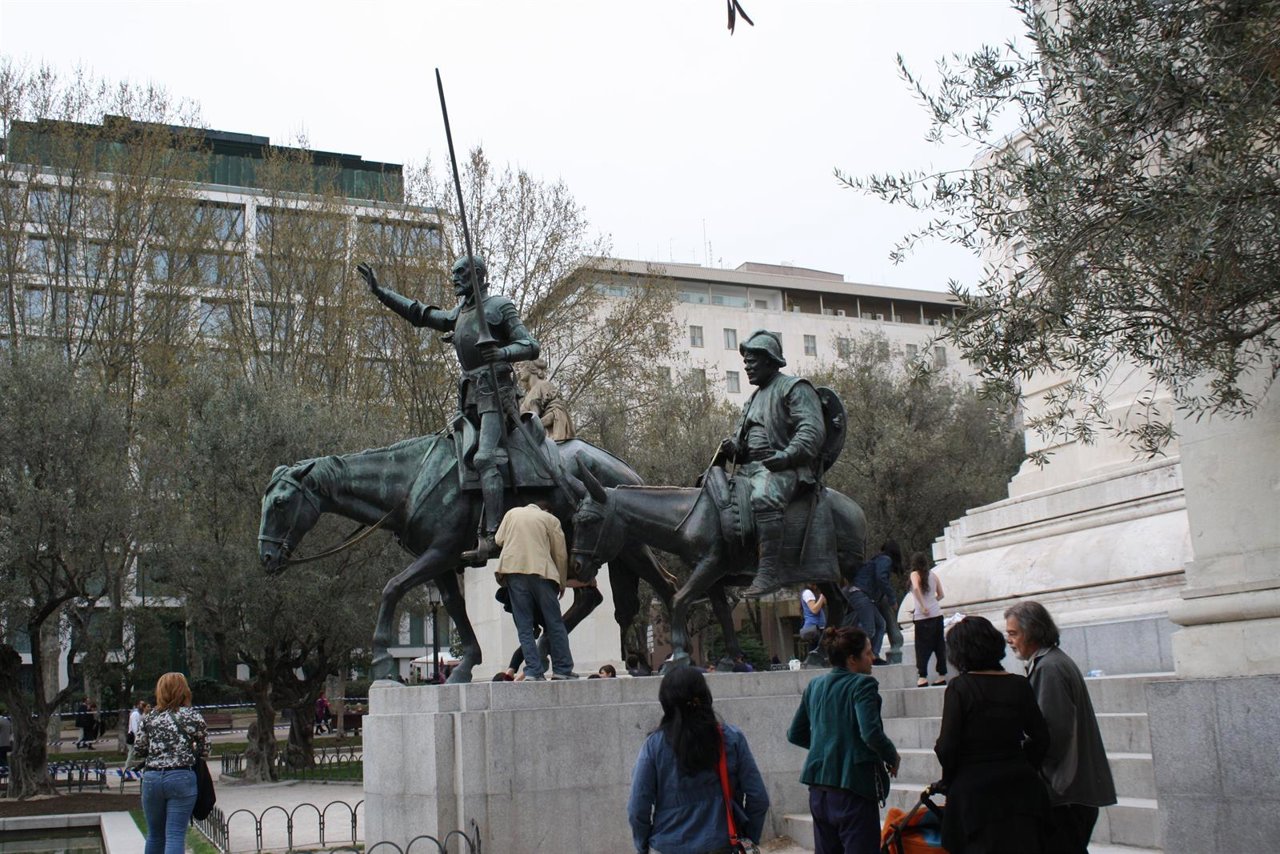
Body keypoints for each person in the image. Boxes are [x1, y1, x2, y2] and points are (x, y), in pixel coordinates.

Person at [358, 256, 540, 565]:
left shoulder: (499, 306)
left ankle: (494, 536)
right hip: (469, 397)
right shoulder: (460, 313)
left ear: (478, 275)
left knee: (484, 458)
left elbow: (531, 345)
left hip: (495, 395)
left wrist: (502, 352)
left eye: (461, 273)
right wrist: (380, 292)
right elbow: (420, 313)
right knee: (448, 459)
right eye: (453, 273)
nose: (454, 278)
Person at [717, 329, 826, 596]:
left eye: (752, 362)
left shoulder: (794, 387)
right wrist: (734, 448)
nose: (747, 368)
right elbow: (744, 444)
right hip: (750, 470)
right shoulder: (752, 399)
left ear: (769, 360)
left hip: (784, 468)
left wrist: (786, 455)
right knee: (716, 496)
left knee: (764, 496)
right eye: (745, 363)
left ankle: (769, 573)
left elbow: (811, 431)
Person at [1005, 601, 1117, 853]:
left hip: (1065, 789)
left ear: (1032, 631)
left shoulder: (1050, 667)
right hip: (1070, 787)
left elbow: (1052, 731)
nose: (1009, 641)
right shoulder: (1050, 663)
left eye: (1013, 633)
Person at [934, 616, 1051, 854]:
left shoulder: (960, 687)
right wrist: (1022, 763)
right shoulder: (1019, 684)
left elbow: (947, 746)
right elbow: (1041, 736)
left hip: (975, 793)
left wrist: (951, 778)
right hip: (1020, 789)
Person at [628, 667, 769, 854]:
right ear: (704, 696)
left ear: (666, 702)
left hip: (668, 845)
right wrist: (749, 838)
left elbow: (637, 807)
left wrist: (643, 846)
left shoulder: (654, 746)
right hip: (722, 845)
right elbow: (758, 797)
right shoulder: (730, 738)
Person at [787, 626, 900, 854]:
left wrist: (827, 745)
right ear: (852, 659)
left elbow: (795, 733)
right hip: (853, 789)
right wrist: (892, 756)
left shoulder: (815, 685)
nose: (872, 657)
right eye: (868, 652)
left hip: (819, 790)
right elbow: (870, 733)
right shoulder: (863, 684)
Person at [494, 499, 577, 680]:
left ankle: (533, 670)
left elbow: (498, 540)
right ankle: (562, 669)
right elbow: (560, 554)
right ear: (547, 510)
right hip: (542, 574)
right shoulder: (550, 519)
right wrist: (562, 581)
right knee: (554, 623)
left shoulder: (512, 513)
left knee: (524, 627)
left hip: (514, 573)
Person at [133, 672, 209, 854]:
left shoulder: (150, 717)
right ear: (184, 691)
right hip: (181, 776)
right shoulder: (192, 716)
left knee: (154, 835)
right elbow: (205, 749)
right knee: (175, 834)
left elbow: (139, 749)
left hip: (152, 778)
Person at [908, 552, 947, 687]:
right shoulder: (933, 575)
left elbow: (916, 588)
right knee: (939, 646)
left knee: (922, 648)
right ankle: (941, 675)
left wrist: (923, 606)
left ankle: (923, 676)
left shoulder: (914, 574)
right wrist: (931, 603)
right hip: (937, 615)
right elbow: (941, 595)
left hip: (922, 617)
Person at [517, 358, 575, 440]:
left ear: (532, 368)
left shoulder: (544, 385)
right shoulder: (526, 396)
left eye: (522, 366)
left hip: (546, 437)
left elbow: (557, 411)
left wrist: (536, 425)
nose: (519, 371)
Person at [871, 541, 905, 664]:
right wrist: (892, 598)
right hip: (872, 596)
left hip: (870, 596)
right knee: (880, 624)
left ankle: (873, 653)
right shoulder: (885, 560)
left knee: (879, 624)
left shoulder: (877, 559)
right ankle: (874, 654)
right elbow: (881, 578)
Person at [799, 583, 827, 654]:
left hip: (818, 627)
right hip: (814, 628)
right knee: (818, 653)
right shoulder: (808, 593)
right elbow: (814, 610)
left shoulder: (813, 593)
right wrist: (821, 597)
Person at [125, 700, 146, 765]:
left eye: (144, 705)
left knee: (141, 752)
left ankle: (142, 766)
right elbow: (134, 727)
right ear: (138, 705)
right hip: (132, 736)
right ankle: (127, 767)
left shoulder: (142, 714)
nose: (143, 706)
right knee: (131, 752)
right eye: (142, 704)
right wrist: (137, 737)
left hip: (139, 736)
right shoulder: (135, 714)